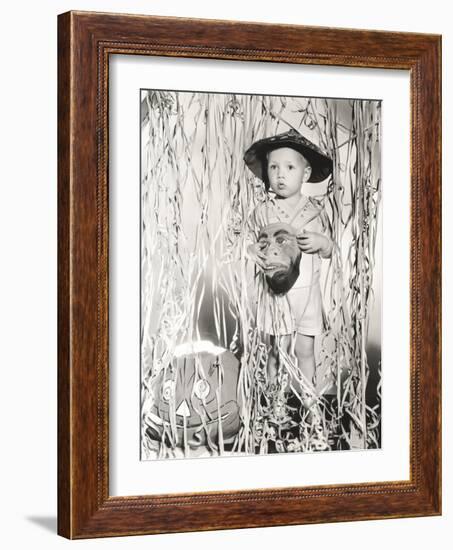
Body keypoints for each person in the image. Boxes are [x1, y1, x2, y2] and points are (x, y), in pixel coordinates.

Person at [243, 128, 333, 422]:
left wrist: (322, 243)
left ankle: (310, 405)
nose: (280, 175)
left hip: (307, 295)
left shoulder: (316, 211)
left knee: (305, 350)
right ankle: (276, 404)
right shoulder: (262, 211)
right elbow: (249, 243)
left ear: (306, 173)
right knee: (277, 351)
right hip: (275, 296)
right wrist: (251, 251)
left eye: (290, 167)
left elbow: (331, 249)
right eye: (273, 167)